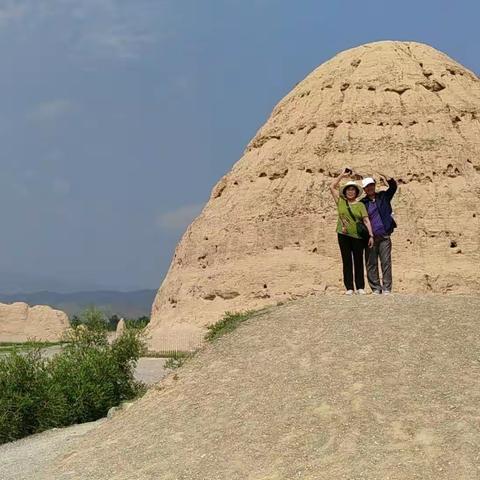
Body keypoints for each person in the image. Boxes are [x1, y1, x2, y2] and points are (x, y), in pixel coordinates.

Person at [330, 168, 374, 295]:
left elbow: (366, 221)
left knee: (358, 260)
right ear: (345, 191)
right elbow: (332, 187)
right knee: (347, 261)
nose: (350, 192)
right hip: (343, 235)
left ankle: (360, 287)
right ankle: (349, 287)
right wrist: (342, 175)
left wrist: (370, 235)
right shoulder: (341, 202)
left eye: (352, 190)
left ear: (356, 192)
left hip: (358, 236)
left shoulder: (360, 205)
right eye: (348, 189)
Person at [361, 173, 397, 295]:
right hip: (370, 238)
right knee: (371, 263)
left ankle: (387, 288)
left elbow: (393, 187)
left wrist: (387, 177)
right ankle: (376, 288)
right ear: (364, 189)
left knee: (386, 262)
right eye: (367, 186)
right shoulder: (362, 203)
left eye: (371, 185)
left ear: (374, 186)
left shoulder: (383, 197)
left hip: (384, 236)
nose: (370, 188)